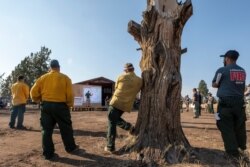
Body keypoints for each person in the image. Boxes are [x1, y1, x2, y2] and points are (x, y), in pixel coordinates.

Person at [30, 59, 78, 160]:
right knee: (66, 128)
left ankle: (48, 153)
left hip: (46, 106)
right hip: (61, 106)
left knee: (46, 130)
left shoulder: (43, 78)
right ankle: (70, 148)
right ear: (59, 67)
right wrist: (69, 105)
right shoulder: (65, 78)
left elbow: (33, 92)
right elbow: (70, 95)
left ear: (50, 68)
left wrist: (38, 100)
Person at [212, 50, 247, 160]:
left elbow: (214, 84)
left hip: (225, 103)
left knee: (225, 125)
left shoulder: (222, 70)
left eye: (224, 58)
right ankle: (241, 147)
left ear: (227, 58)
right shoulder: (242, 71)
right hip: (239, 103)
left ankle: (232, 153)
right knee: (239, 126)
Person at [105, 63, 142, 153]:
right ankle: (128, 127)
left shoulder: (121, 77)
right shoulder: (139, 81)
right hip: (126, 105)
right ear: (133, 69)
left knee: (111, 122)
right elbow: (138, 90)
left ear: (125, 70)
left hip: (115, 102)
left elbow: (116, 88)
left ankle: (110, 147)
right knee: (114, 119)